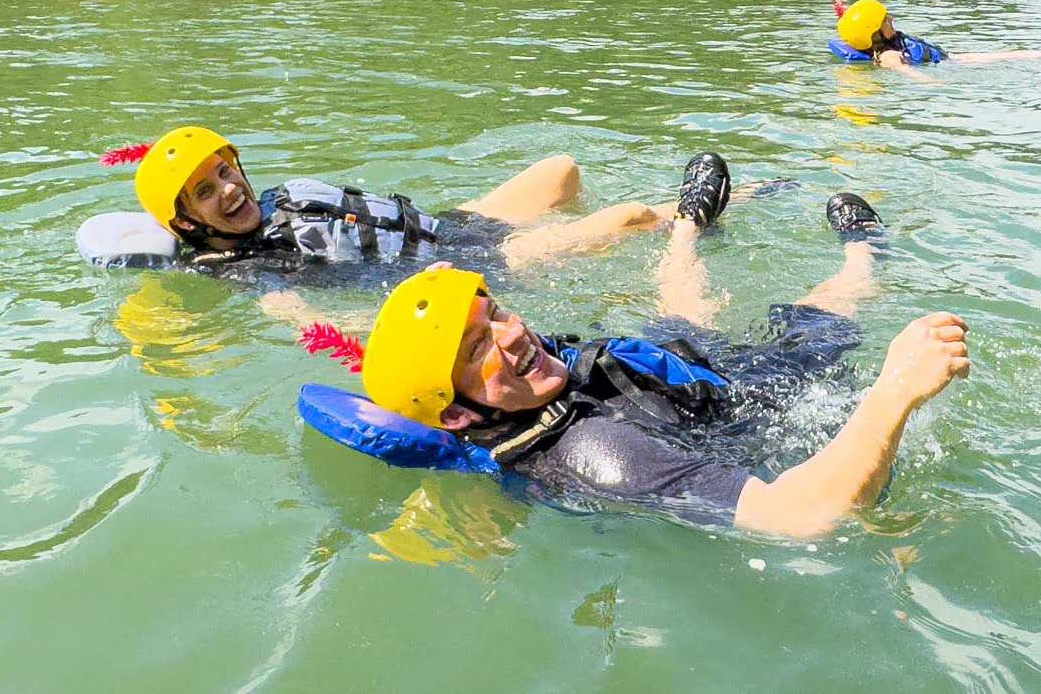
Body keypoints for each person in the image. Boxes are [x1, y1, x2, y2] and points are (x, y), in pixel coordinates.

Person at [348, 153, 971, 538]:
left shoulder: (525, 387)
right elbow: (798, 518)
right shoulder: (599, 454)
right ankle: (865, 252)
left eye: (498, 313)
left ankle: (687, 229)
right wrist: (896, 390)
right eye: (477, 347)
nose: (514, 334)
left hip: (660, 378)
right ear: (458, 414)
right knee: (818, 319)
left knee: (678, 319)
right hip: (736, 408)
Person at [110, 125, 676, 280]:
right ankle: (717, 210)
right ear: (186, 222)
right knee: (634, 217)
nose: (230, 189)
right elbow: (304, 319)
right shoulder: (255, 268)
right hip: (464, 265)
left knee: (562, 171)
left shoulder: (272, 198)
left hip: (453, 225)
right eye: (206, 192)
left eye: (224, 171)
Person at [833, 0, 1040, 81]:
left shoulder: (886, 47)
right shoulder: (888, 56)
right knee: (1013, 56)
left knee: (1009, 55)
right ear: (874, 33)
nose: (891, 19)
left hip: (948, 59)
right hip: (951, 64)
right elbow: (907, 71)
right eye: (885, 20)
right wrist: (934, 83)